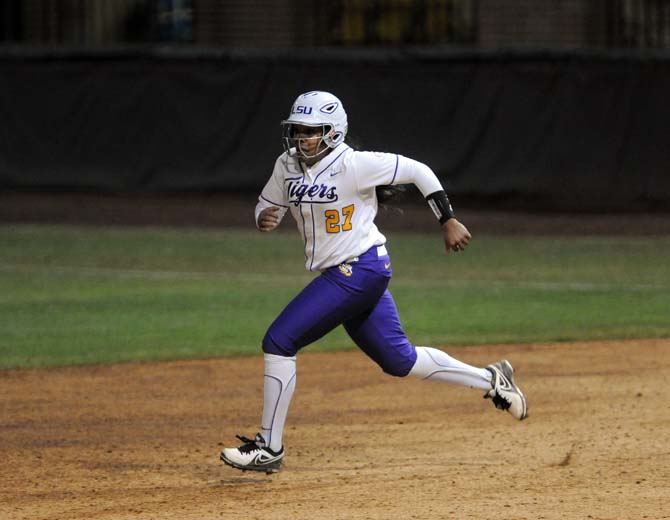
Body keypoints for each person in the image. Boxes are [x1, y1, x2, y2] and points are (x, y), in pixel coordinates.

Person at [220, 91, 527, 474]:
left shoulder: (356, 165)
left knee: (279, 341)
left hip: (360, 270)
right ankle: (492, 379)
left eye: (310, 131)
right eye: (297, 130)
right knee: (400, 360)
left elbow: (418, 171)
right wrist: (264, 216)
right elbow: (266, 204)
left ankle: (269, 447)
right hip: (352, 273)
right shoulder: (287, 164)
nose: (301, 138)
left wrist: (447, 219)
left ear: (333, 132)